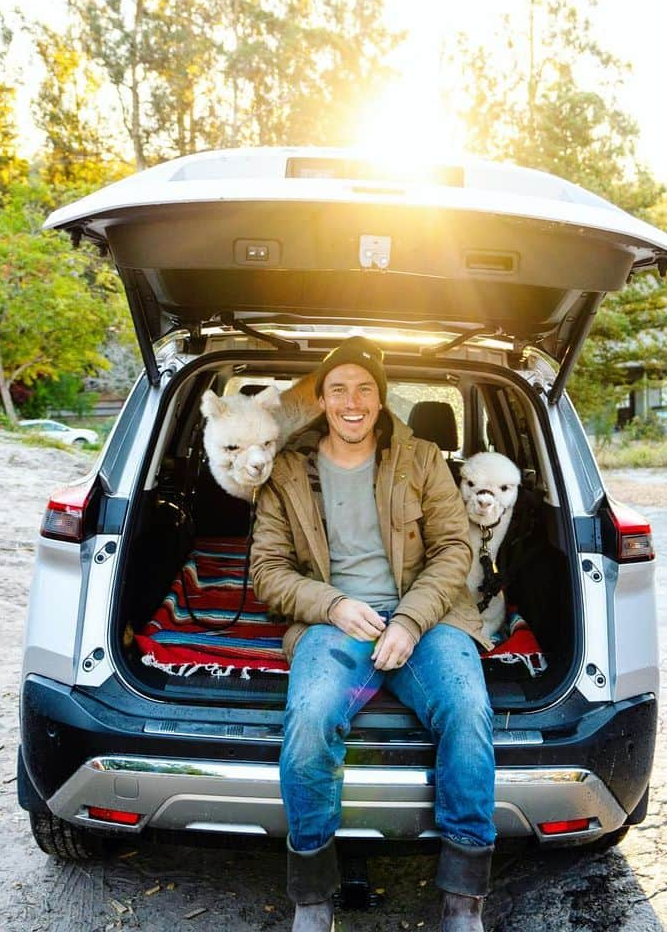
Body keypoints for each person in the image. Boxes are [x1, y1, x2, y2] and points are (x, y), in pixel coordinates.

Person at [250, 337, 496, 932]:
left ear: (382, 400)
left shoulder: (423, 459)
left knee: (467, 708)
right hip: (333, 623)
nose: (352, 401)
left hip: (427, 620)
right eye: (339, 389)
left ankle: (463, 899)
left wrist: (410, 621)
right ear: (322, 399)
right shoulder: (287, 469)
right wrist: (332, 605)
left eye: (365, 389)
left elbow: (454, 549)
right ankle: (312, 899)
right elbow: (266, 571)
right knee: (310, 719)